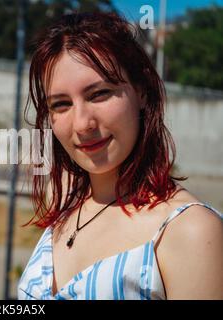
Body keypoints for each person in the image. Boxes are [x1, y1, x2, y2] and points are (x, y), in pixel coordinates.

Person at [18, 12, 223, 300]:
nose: (82, 124)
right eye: (61, 104)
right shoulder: (67, 213)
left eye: (99, 94)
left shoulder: (190, 231)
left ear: (140, 91)